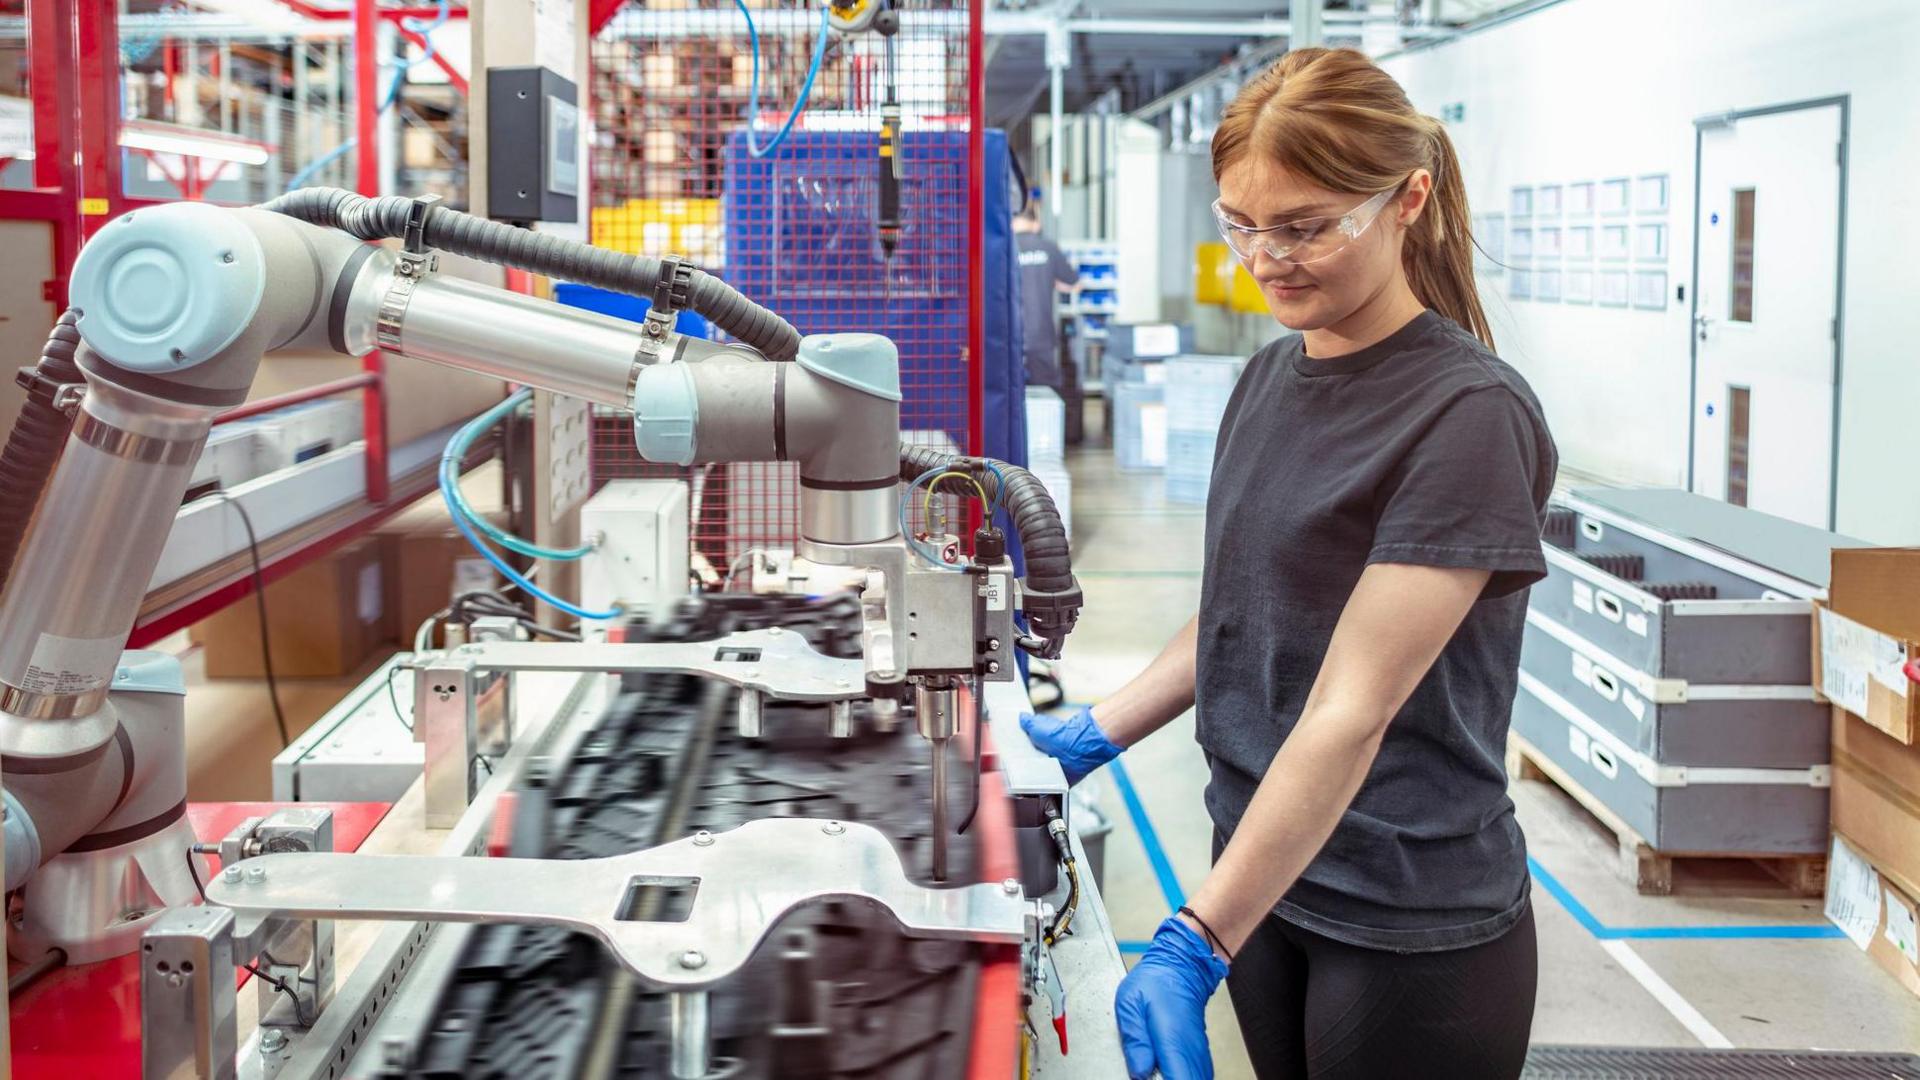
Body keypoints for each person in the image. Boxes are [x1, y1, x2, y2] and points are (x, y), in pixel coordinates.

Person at [1021, 48, 1557, 1080]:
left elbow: (1352, 706)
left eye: (1307, 226)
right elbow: (1240, 614)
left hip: (1403, 914)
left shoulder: (1468, 415)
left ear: (1409, 201)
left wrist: (1195, 940)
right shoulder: (1268, 377)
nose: (1267, 257)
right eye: (1242, 223)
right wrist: (1093, 730)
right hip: (1264, 872)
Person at [1013, 196, 1078, 391]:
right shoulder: (1047, 247)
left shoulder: (1004, 250)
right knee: (1045, 395)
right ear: (1035, 222)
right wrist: (1052, 281)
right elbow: (1075, 284)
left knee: (1009, 394)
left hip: (1009, 335)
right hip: (1041, 335)